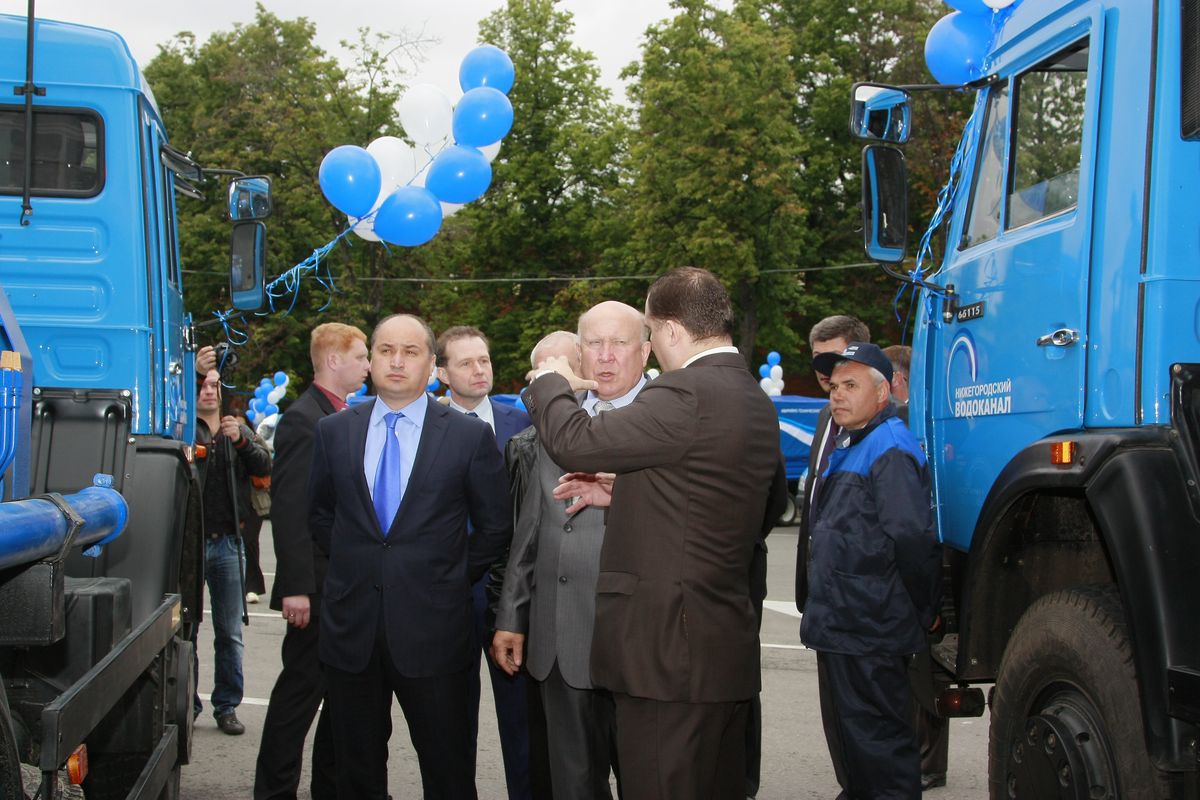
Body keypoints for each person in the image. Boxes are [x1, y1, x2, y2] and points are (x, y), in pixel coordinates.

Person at [524, 268, 787, 799]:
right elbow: (744, 504)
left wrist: (551, 379)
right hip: (719, 652)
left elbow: (576, 441)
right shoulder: (750, 396)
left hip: (668, 658)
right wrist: (628, 494)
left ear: (666, 331)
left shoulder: (685, 392)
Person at [307, 313, 512, 799]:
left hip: (436, 633)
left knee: (448, 772)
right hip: (352, 634)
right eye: (384, 351)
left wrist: (449, 578)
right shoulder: (335, 431)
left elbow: (496, 525)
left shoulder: (466, 436)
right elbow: (318, 515)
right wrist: (358, 569)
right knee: (355, 774)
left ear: (431, 365)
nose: (396, 361)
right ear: (372, 359)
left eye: (410, 352)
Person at [493, 302, 652, 800]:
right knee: (572, 786)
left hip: (642, 644)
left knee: (649, 782)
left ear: (646, 351)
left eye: (619, 343)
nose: (605, 357)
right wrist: (512, 616)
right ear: (577, 353)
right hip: (559, 638)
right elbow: (532, 527)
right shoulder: (556, 424)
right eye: (593, 344)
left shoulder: (668, 420)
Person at [800, 342, 943, 799]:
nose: (837, 396)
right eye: (835, 386)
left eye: (851, 386)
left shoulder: (889, 447)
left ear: (882, 394)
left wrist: (926, 608)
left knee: (881, 747)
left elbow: (912, 538)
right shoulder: (855, 441)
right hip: (848, 625)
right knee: (860, 747)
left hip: (870, 627)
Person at [254, 322, 369, 800]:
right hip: (316, 589)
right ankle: (274, 792)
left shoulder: (336, 413)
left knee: (336, 698)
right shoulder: (306, 418)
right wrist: (296, 587)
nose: (367, 365)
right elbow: (291, 507)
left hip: (340, 587)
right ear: (334, 360)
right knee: (298, 699)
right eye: (362, 356)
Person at [435, 325, 534, 800]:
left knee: (521, 721)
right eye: (466, 362)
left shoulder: (524, 423)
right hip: (449, 593)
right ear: (442, 373)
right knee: (453, 721)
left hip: (512, 594)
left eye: (485, 360)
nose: (479, 370)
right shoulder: (425, 427)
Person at [882, 343, 950, 792]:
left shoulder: (897, 430)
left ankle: (926, 762)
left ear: (899, 383)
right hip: (918, 566)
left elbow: (908, 528)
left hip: (913, 572)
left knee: (920, 681)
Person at [195, 369, 272, 736]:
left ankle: (226, 706)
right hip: (189, 544)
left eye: (214, 386)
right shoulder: (181, 429)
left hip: (229, 542)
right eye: (202, 386)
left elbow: (264, 465)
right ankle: (187, 702)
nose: (209, 392)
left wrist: (240, 440)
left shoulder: (237, 429)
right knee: (185, 629)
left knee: (229, 631)